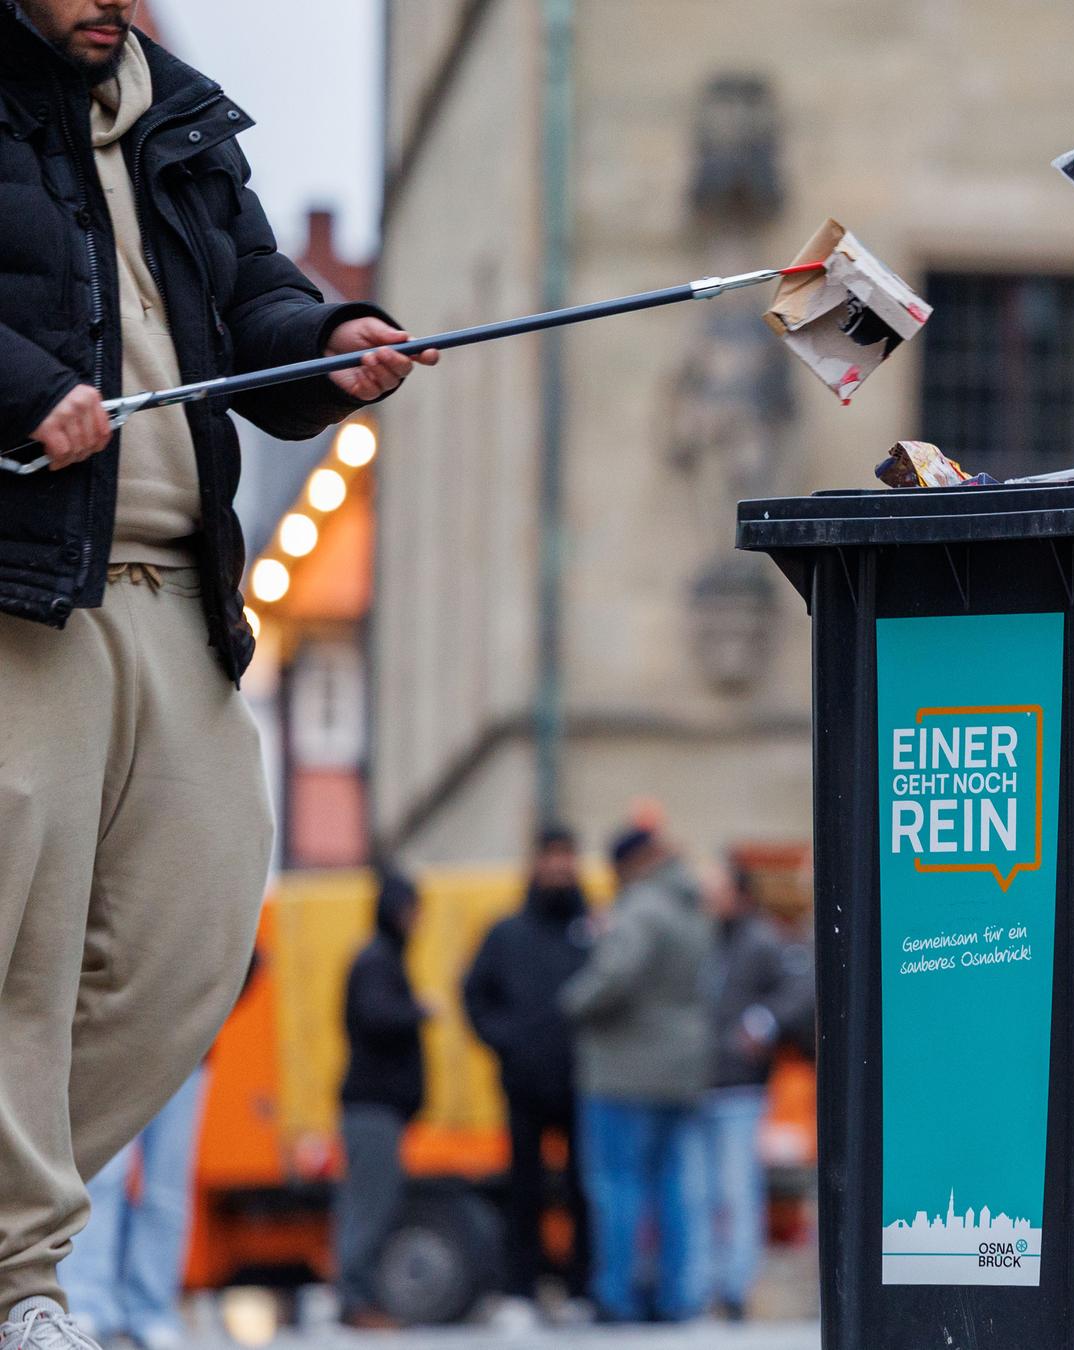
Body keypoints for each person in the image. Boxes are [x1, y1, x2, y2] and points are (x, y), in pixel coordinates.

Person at [0, 4, 434, 1346]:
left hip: (177, 592)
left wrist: (334, 342)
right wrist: (19, 389)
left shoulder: (179, 115)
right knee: (21, 947)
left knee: (195, 934)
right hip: (28, 587)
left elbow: (254, 301)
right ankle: (21, 1280)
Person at [560, 828, 711, 1325]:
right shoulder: (691, 908)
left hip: (625, 1069)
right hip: (680, 1070)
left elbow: (615, 974)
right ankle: (675, 1296)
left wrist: (572, 1001)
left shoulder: (641, 908)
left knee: (617, 1185)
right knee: (671, 1186)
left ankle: (618, 1296)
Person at [463, 826, 596, 1311]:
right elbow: (474, 995)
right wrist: (508, 1043)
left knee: (586, 1191)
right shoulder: (507, 934)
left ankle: (582, 1290)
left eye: (566, 856)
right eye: (551, 856)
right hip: (524, 1085)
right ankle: (521, 1291)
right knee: (523, 1191)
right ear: (536, 863)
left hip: (584, 1084)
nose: (559, 866)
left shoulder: (594, 930)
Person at [693, 862, 813, 1320]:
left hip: (740, 1084)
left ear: (739, 893)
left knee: (735, 1188)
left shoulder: (762, 939)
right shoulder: (706, 938)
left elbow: (801, 987)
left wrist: (764, 1021)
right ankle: (707, 1284)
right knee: (703, 1192)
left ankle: (736, 1287)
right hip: (698, 1083)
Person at [334, 872, 429, 1329]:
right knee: (370, 1206)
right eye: (411, 909)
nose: (417, 920)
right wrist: (417, 1010)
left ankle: (360, 1298)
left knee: (372, 1203)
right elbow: (375, 1016)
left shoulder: (382, 958)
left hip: (378, 1110)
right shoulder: (376, 961)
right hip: (372, 1108)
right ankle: (357, 1301)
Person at [56, 1069, 206, 1350]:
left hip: (187, 1053)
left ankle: (152, 1311)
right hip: (114, 1045)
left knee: (165, 1186)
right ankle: (86, 1304)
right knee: (102, 1173)